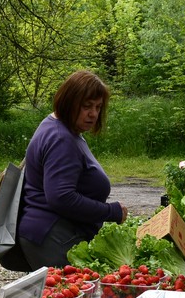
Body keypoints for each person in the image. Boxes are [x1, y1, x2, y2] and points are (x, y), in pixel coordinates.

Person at [17, 70, 128, 268]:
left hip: (51, 235)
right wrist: (110, 211)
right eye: (86, 106)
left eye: (98, 107)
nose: (93, 113)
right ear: (69, 101)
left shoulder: (59, 126)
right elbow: (61, 197)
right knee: (71, 297)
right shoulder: (61, 138)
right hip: (54, 237)